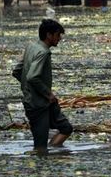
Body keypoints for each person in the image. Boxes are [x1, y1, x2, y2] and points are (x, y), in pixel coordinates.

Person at [12, 19, 73, 153]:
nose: (60, 39)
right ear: (48, 35)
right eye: (58, 35)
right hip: (37, 105)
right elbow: (32, 77)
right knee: (40, 147)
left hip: (45, 102)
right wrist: (48, 93)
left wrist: (29, 89)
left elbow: (17, 71)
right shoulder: (43, 53)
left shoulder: (31, 47)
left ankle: (54, 153)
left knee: (66, 128)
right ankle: (42, 167)